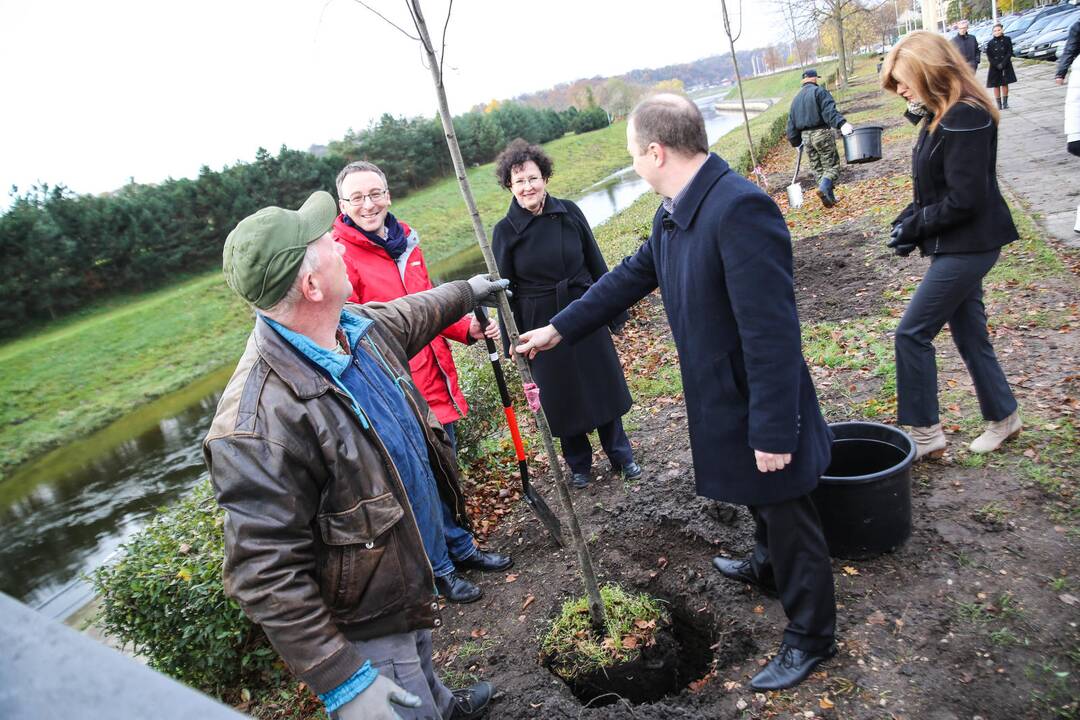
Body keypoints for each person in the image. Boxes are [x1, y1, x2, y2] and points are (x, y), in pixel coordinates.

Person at [516, 95, 837, 691]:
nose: (633, 161)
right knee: (762, 503)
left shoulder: (738, 209)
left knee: (790, 512)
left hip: (758, 397)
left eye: (633, 152)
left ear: (656, 152)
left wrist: (774, 428)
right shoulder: (675, 210)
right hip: (720, 392)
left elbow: (772, 335)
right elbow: (628, 278)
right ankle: (766, 567)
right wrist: (559, 328)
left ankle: (812, 635)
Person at [205, 190, 508, 720]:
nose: (339, 243)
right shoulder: (255, 426)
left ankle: (444, 705)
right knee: (399, 686)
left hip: (402, 577)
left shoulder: (353, 329)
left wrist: (467, 291)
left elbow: (412, 311)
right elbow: (264, 572)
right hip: (368, 617)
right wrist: (340, 678)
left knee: (421, 662)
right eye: (325, 241)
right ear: (311, 284)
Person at [332, 160, 513, 604]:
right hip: (396, 391)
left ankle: (463, 548)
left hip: (435, 380)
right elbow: (356, 333)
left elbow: (429, 304)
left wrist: (466, 328)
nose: (368, 204)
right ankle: (440, 569)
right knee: (418, 484)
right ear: (343, 205)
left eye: (375, 193)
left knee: (445, 472)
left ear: (388, 194)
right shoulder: (341, 256)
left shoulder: (406, 240)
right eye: (357, 197)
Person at [881, 31, 1021, 460]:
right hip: (955, 242)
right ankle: (1005, 417)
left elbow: (966, 199)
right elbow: (934, 187)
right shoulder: (941, 114)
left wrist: (917, 227)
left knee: (911, 333)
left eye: (904, 81)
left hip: (970, 245)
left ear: (928, 71)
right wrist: (908, 222)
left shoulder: (966, 117)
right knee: (969, 335)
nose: (901, 91)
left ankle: (926, 434)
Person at [490, 139, 642, 490]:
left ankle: (621, 453)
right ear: (509, 187)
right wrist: (513, 340)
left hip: (583, 307)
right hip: (537, 322)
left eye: (533, 178)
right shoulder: (504, 232)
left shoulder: (570, 212)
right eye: (519, 182)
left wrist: (613, 311)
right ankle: (579, 463)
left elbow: (594, 258)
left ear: (544, 177)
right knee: (560, 395)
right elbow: (503, 292)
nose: (527, 187)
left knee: (601, 382)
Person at [785, 69, 855, 208]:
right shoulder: (820, 92)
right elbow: (829, 111)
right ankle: (824, 190)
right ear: (814, 79)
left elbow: (791, 124)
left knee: (817, 169)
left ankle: (829, 199)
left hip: (806, 138)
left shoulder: (796, 99)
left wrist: (795, 142)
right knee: (832, 166)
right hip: (821, 133)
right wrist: (842, 124)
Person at [985, 24, 1017, 109]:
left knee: (1004, 83)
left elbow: (1009, 52)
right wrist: (996, 64)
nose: (997, 32)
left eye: (999, 30)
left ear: (1002, 30)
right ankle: (999, 104)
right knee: (996, 85)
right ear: (992, 32)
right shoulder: (990, 43)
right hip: (994, 66)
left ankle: (1005, 103)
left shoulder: (1007, 39)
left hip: (1005, 64)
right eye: (995, 31)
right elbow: (989, 55)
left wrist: (1003, 63)